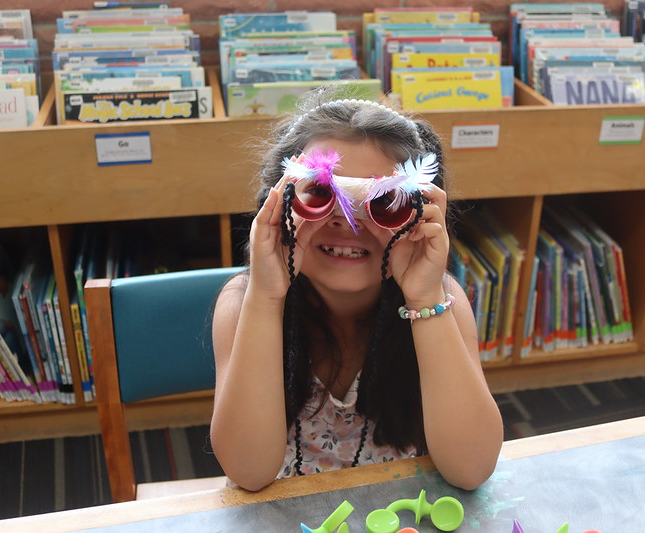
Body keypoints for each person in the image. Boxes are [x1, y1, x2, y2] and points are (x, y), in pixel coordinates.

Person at [210, 92, 503, 492]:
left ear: (417, 215)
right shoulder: (245, 300)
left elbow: (472, 469)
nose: (348, 224)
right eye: (319, 194)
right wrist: (265, 298)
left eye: (383, 202)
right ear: (276, 207)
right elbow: (248, 472)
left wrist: (423, 300)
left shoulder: (441, 299)